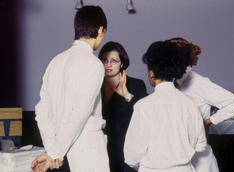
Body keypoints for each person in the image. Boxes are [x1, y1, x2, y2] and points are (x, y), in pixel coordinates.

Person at [31, 6, 110, 172]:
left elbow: (41, 110)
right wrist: (54, 152)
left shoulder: (55, 62)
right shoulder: (94, 64)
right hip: (86, 153)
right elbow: (80, 112)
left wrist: (52, 148)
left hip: (59, 156)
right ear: (101, 30)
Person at [124, 41, 207, 172]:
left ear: (151, 72)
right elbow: (201, 146)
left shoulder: (143, 106)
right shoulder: (191, 104)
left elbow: (131, 156)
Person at [168, 37, 234, 172]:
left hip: (199, 161)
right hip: (178, 158)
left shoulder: (199, 83)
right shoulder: (173, 84)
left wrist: (208, 121)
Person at [98, 41, 148, 172]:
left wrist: (126, 95)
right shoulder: (95, 85)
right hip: (101, 151)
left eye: (114, 61)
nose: (108, 64)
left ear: (122, 63)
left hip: (127, 153)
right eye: (104, 60)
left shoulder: (136, 84)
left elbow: (146, 116)